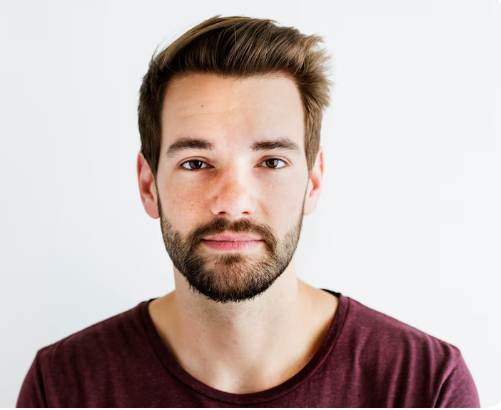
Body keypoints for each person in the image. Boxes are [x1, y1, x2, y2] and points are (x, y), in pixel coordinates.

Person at [17, 15, 480, 407]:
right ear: (148, 185)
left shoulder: (424, 385)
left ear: (313, 182)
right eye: (196, 163)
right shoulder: (62, 386)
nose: (233, 202)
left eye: (271, 162)